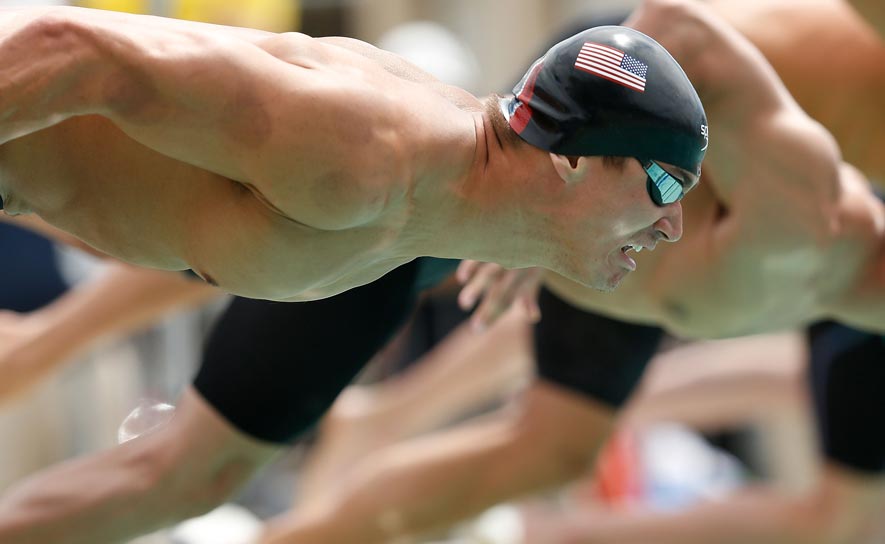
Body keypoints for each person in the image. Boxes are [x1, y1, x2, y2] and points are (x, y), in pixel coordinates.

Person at [0, 5, 703, 301]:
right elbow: (70, 50)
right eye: (666, 185)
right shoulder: (367, 152)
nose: (673, 225)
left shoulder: (425, 210)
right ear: (572, 156)